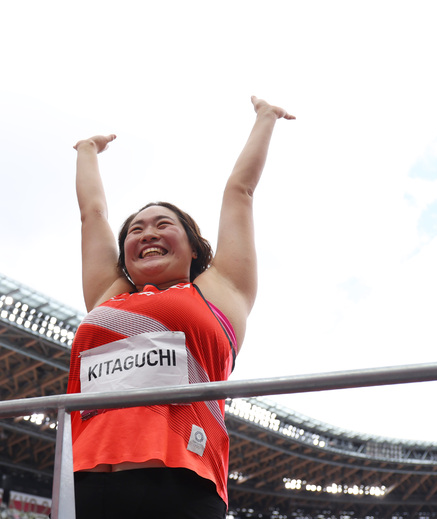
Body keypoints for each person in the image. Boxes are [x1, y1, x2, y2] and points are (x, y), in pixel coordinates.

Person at [67, 96, 295, 518]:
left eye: (162, 224)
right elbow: (92, 215)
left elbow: (239, 192)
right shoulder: (109, 296)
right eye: (136, 230)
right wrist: (86, 151)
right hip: (85, 485)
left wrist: (266, 118)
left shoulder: (220, 291)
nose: (147, 233)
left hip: (181, 484)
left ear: (194, 247)